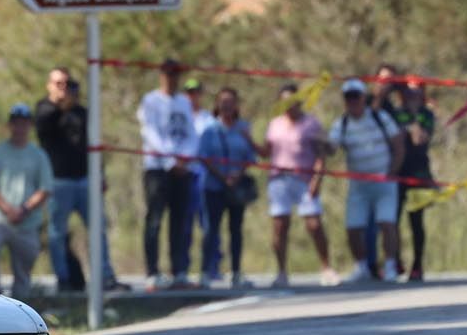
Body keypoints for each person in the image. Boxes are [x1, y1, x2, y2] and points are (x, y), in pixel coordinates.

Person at [35, 67, 112, 293]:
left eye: (66, 84)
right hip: (59, 182)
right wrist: (61, 105)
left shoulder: (82, 113)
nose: (63, 89)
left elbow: (93, 145)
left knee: (98, 229)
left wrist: (101, 174)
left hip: (85, 179)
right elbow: (44, 127)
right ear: (49, 85)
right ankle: (64, 278)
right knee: (57, 234)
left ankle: (105, 275)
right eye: (58, 84)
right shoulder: (44, 110)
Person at [325, 78, 405, 282]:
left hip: (384, 180)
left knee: (387, 224)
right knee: (353, 227)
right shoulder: (341, 123)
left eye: (356, 96)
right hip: (359, 184)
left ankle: (389, 265)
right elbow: (332, 148)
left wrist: (392, 171)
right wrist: (319, 142)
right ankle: (361, 266)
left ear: (363, 97)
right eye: (348, 97)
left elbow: (398, 144)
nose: (352, 101)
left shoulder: (379, 117)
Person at [263, 84, 337, 288]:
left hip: (304, 178)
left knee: (314, 224)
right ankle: (281, 272)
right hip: (279, 178)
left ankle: (326, 267)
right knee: (279, 225)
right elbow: (266, 151)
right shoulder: (275, 124)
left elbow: (322, 154)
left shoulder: (311, 124)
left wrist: (316, 180)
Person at [138, 58, 197, 287]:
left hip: (182, 169)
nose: (172, 78)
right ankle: (152, 271)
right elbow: (150, 134)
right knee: (154, 219)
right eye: (169, 73)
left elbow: (191, 133)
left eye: (176, 74)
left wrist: (185, 158)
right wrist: (171, 160)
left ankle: (179, 270)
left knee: (180, 221)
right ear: (161, 74)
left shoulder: (183, 101)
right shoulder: (151, 100)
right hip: (157, 168)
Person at [0, 104, 54, 297]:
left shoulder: (38, 155)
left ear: (29, 125)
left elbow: (45, 188)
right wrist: (7, 209)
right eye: (16, 123)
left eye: (24, 123)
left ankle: (22, 308)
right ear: (10, 125)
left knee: (23, 271)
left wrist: (24, 210)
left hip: (27, 222)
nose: (20, 128)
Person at [196, 88, 259, 289]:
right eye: (223, 102)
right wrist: (222, 177)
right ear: (217, 105)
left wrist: (236, 176)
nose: (227, 106)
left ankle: (236, 271)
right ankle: (206, 271)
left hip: (236, 188)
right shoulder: (209, 129)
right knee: (211, 229)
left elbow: (251, 157)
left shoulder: (243, 128)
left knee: (236, 230)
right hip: (214, 187)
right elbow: (203, 156)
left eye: (231, 102)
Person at [393, 84, 438, 281]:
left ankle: (417, 264)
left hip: (419, 174)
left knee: (416, 222)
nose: (412, 96)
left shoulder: (426, 115)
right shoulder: (395, 113)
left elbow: (421, 139)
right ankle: (395, 260)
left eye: (416, 93)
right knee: (392, 220)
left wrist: (413, 120)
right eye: (408, 93)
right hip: (398, 173)